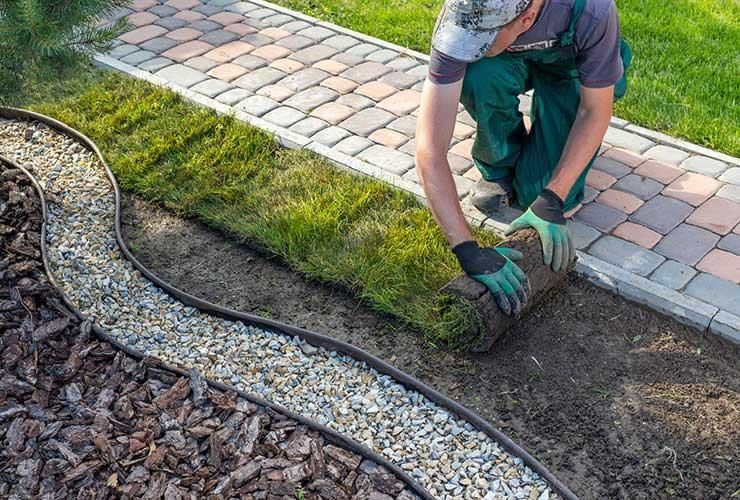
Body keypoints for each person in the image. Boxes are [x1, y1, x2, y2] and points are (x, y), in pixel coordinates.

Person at [415, 0, 631, 315]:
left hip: (568, 67)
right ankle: (499, 167)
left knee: (540, 194)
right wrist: (466, 249)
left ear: (527, 17)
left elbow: (595, 110)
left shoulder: (592, 10)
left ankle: (547, 146)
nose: (469, 43)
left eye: (482, 37)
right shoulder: (465, 14)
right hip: (505, 61)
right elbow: (429, 149)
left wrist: (552, 198)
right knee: (477, 72)